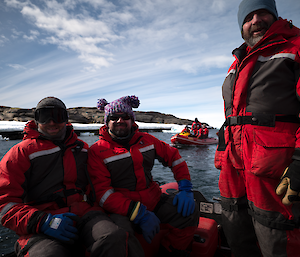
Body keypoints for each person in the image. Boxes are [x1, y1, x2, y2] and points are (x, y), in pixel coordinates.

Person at [0, 97, 142, 257]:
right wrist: (41, 221)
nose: (52, 122)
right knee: (48, 254)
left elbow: (100, 183)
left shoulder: (82, 149)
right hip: (41, 221)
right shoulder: (20, 153)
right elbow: (3, 203)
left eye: (58, 116)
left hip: (85, 214)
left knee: (113, 237)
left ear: (66, 119)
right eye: (45, 116)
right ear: (36, 119)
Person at [214, 0, 300, 256]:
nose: (255, 20)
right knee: (236, 232)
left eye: (262, 12)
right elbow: (234, 112)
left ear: (274, 15)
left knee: (277, 236)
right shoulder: (236, 63)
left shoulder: (295, 47)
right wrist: (222, 143)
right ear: (241, 25)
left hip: (274, 167)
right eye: (248, 17)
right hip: (233, 166)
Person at [88, 96, 200, 257]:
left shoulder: (147, 140)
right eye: (114, 117)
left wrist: (186, 188)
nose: (120, 120)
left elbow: (174, 157)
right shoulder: (97, 151)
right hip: (121, 210)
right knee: (120, 238)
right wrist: (138, 212)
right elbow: (102, 193)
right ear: (107, 122)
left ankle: (171, 251)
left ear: (132, 120)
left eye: (125, 117)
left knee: (190, 213)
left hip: (153, 199)